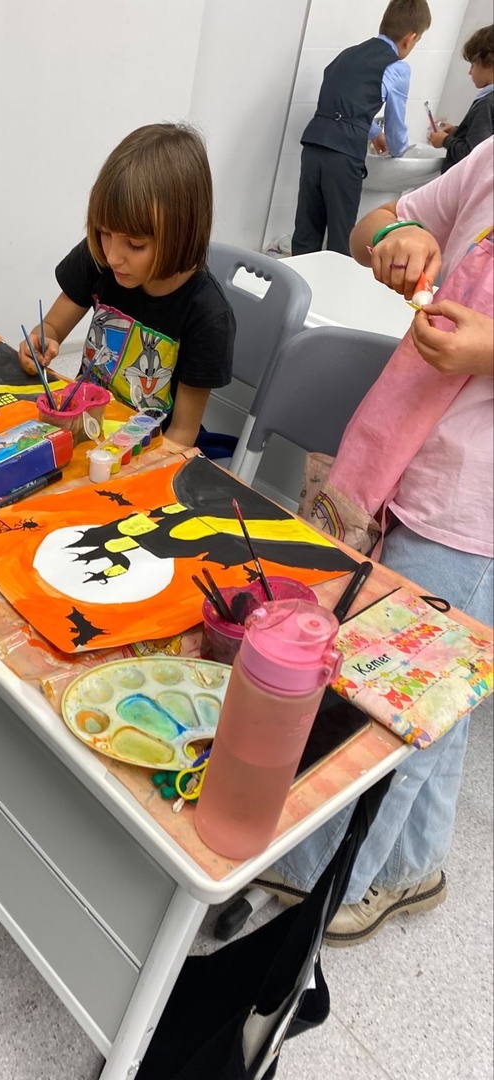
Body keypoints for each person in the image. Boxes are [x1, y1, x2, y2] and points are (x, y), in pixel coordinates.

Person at [256, 136, 494, 946]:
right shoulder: (488, 162)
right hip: (406, 465)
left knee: (401, 707)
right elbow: (372, 228)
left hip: (470, 515)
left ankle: (320, 886)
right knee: (441, 690)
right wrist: (397, 235)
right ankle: (412, 867)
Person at [17, 122, 235, 450]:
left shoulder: (207, 315)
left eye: (134, 244)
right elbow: (52, 328)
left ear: (182, 233)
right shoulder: (99, 257)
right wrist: (40, 342)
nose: (113, 256)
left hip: (148, 451)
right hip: (85, 430)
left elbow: (181, 436)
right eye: (104, 232)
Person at [292, 0, 431, 257]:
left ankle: (295, 281)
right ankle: (333, 283)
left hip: (313, 146)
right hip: (343, 156)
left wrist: (374, 132)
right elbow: (396, 126)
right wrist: (397, 148)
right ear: (411, 38)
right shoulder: (397, 67)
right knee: (342, 236)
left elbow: (343, 102)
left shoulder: (347, 55)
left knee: (305, 231)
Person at [428, 24, 494, 171]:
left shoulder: (486, 104)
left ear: (490, 64)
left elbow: (473, 155)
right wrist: (458, 132)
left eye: (473, 65)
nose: (470, 72)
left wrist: (445, 140)